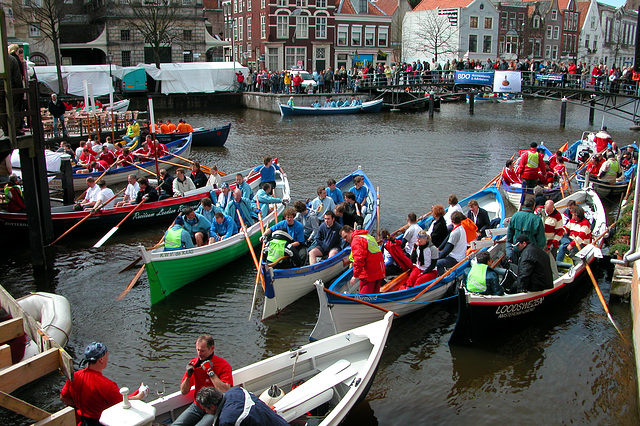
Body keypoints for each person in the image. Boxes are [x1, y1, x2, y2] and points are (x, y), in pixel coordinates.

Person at [60, 342, 148, 425]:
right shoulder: (107, 385)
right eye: (107, 356)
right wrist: (140, 395)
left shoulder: (75, 377)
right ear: (101, 359)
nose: (108, 358)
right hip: (101, 422)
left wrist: (81, 406)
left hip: (83, 422)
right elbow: (123, 405)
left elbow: (63, 397)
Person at [173, 335, 233, 426]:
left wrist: (210, 372)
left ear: (211, 348)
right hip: (198, 405)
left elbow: (226, 391)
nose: (199, 354)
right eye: (197, 350)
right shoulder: (194, 364)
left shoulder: (223, 365)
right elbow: (183, 391)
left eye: (202, 351)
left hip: (215, 408)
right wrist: (188, 376)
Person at [195, 386, 288, 426]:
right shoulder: (236, 390)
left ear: (212, 406)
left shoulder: (226, 421)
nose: (206, 412)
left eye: (205, 409)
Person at [340, 225, 385, 294]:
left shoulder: (356, 240)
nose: (345, 240)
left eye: (346, 236)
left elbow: (359, 259)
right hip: (379, 270)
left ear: (351, 232)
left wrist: (355, 275)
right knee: (374, 295)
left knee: (364, 297)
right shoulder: (367, 236)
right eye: (343, 238)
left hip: (369, 273)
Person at [506, 197, 546, 264]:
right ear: (533, 206)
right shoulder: (537, 219)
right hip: (531, 253)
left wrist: (509, 252)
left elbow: (509, 236)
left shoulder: (515, 216)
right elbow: (541, 241)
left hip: (516, 250)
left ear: (524, 205)